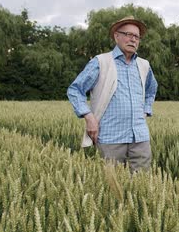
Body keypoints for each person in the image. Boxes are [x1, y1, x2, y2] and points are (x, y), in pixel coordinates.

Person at [67, 16, 158, 172]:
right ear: (116, 36)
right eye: (128, 35)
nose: (133, 40)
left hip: (140, 136)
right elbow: (75, 90)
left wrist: (146, 110)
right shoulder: (100, 62)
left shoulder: (144, 65)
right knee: (111, 185)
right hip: (110, 137)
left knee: (142, 185)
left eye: (136, 37)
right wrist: (89, 118)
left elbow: (151, 89)